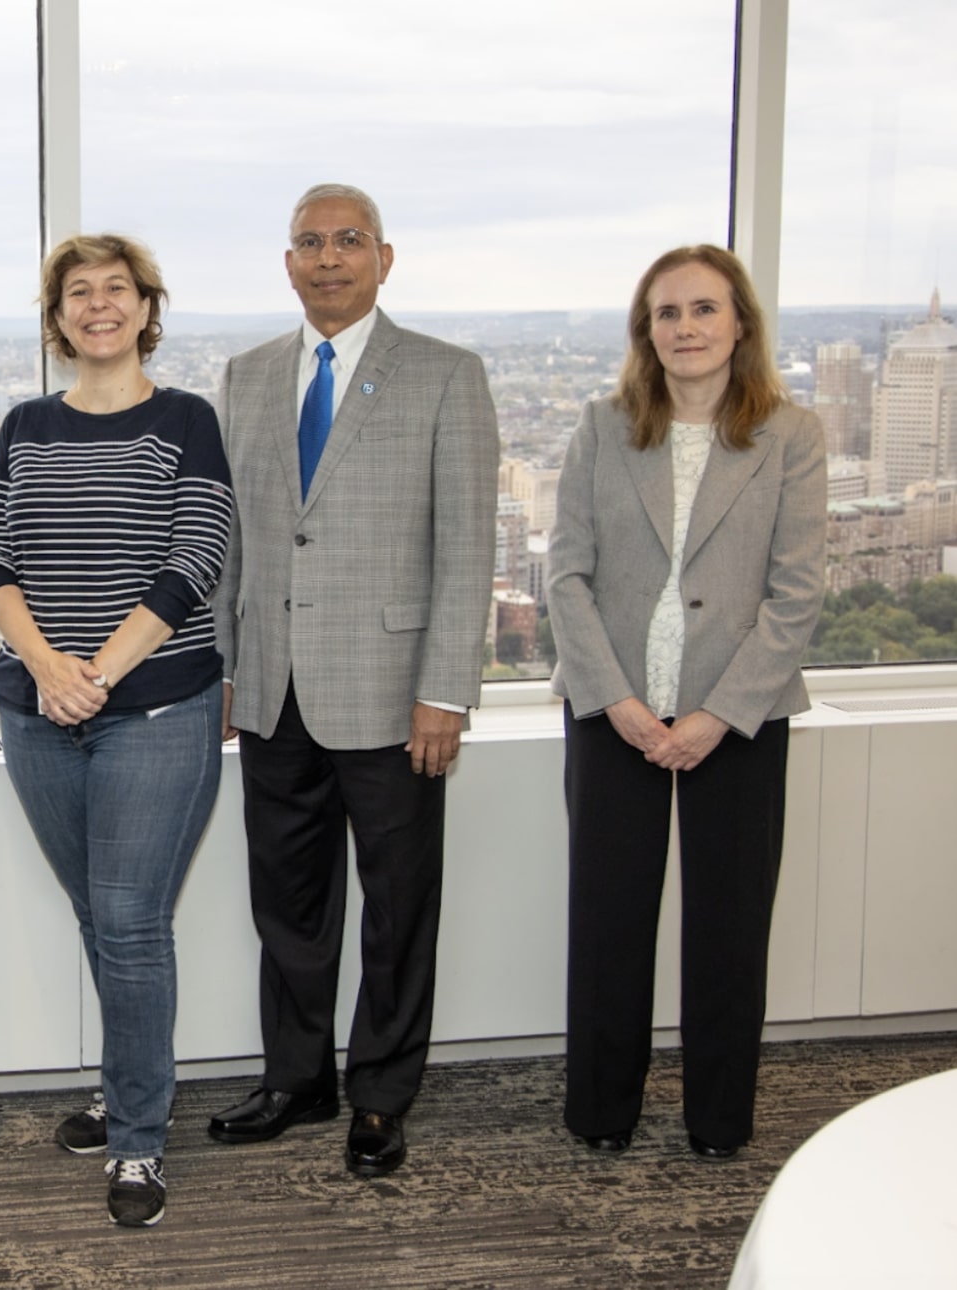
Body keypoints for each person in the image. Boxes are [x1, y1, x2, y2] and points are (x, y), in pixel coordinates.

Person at [209, 183, 499, 1177]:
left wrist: (447, 690)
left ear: (384, 256)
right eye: (308, 243)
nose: (328, 258)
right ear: (286, 262)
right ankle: (297, 1079)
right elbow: (234, 538)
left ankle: (380, 1093)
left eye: (348, 241)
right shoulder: (246, 377)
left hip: (394, 695)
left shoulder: (444, 376)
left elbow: (467, 548)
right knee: (286, 904)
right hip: (272, 689)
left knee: (397, 905)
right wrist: (225, 670)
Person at [548, 245, 825, 1161]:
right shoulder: (601, 425)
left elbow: (797, 595)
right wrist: (617, 699)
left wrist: (717, 713)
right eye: (668, 313)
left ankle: (718, 1120)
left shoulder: (792, 434)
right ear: (646, 331)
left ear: (739, 322)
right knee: (609, 921)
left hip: (738, 715)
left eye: (705, 309)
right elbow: (567, 576)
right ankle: (600, 1112)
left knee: (730, 926)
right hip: (612, 711)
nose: (687, 328)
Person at [0, 233, 231, 1226]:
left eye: (115, 290)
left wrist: (98, 674)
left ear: (144, 307)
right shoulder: (24, 425)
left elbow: (195, 557)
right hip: (39, 711)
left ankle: (136, 1142)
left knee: (129, 923)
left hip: (158, 707)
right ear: (58, 317)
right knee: (100, 914)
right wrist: (48, 671)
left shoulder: (186, 421)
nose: (97, 306)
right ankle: (131, 1082)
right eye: (77, 293)